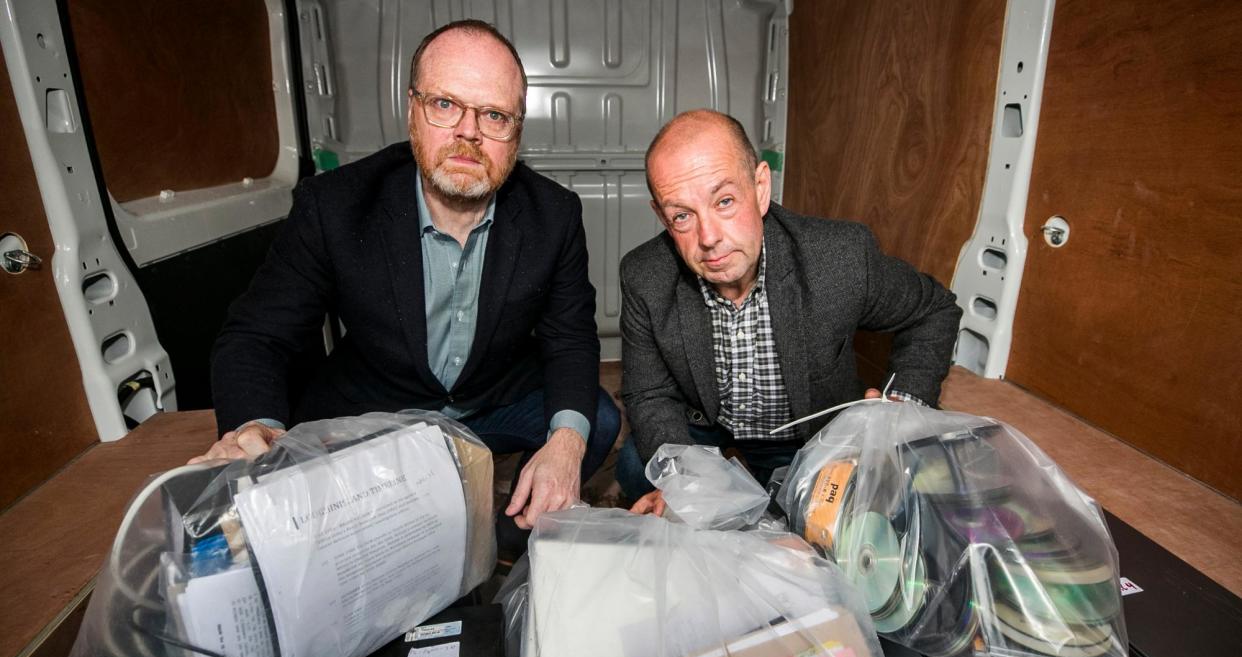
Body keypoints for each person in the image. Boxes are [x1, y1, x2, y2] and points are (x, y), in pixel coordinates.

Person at [194, 20, 620, 539]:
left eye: (494, 115)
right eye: (445, 105)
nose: (469, 132)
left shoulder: (553, 215)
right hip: (377, 406)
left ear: (516, 132)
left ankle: (492, 543)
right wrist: (255, 427)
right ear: (412, 109)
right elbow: (256, 338)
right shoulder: (334, 206)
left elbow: (569, 337)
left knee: (590, 421)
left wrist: (564, 447)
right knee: (308, 516)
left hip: (492, 398)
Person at [617, 110, 961, 515]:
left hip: (801, 435)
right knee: (638, 469)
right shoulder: (645, 275)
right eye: (682, 216)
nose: (708, 238)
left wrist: (905, 401)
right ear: (661, 215)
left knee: (841, 511)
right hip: (704, 421)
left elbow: (934, 310)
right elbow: (649, 393)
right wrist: (685, 480)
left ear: (761, 186)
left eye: (724, 201)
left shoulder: (841, 257)